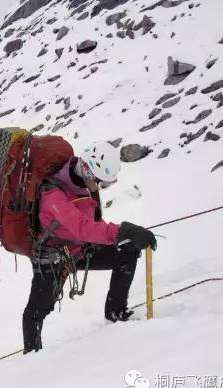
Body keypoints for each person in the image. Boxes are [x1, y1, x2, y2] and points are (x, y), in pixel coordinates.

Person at [22, 141, 157, 354]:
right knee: (37, 311)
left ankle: (115, 313)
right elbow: (81, 227)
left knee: (127, 251)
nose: (102, 188)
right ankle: (32, 357)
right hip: (52, 259)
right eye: (103, 184)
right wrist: (122, 231)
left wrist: (124, 236)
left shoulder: (84, 186)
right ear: (88, 171)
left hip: (80, 249)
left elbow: (93, 225)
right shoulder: (52, 195)